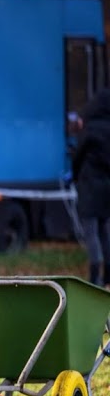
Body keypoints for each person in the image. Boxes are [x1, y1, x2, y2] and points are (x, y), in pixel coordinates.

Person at [70, 89, 110, 287]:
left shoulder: (90, 130)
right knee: (105, 230)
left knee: (91, 232)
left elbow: (78, 158)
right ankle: (108, 273)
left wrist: (74, 177)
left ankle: (95, 272)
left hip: (90, 187)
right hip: (107, 189)